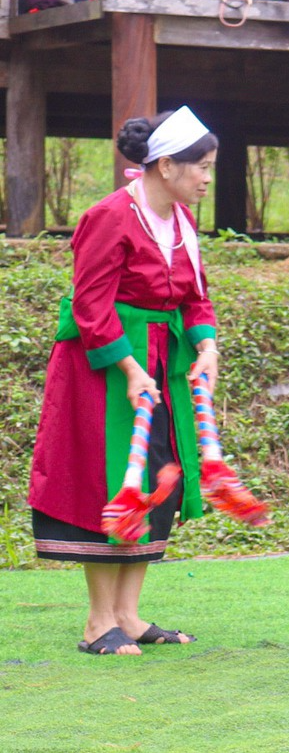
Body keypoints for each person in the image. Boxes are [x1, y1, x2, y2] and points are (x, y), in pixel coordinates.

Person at [28, 108, 220, 654]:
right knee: (111, 480)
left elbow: (195, 298)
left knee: (159, 475)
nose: (207, 177)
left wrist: (206, 345)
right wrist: (130, 367)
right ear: (164, 166)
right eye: (201, 167)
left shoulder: (183, 221)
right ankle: (98, 622)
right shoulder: (110, 216)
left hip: (164, 363)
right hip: (104, 368)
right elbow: (89, 304)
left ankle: (130, 617)